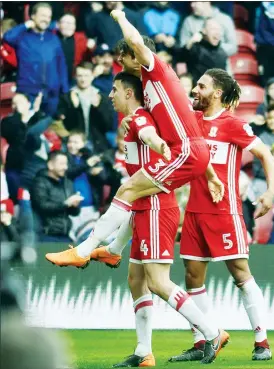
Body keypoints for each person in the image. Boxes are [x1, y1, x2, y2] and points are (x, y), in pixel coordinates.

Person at [45, 10, 223, 279]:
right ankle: (113, 248)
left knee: (127, 191)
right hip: (190, 152)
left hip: (184, 152)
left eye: (123, 55)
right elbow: (184, 130)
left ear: (136, 57)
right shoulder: (151, 87)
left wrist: (119, 16)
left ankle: (83, 251)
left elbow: (138, 43)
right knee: (134, 194)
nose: (118, 60)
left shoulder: (156, 68)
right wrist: (210, 175)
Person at [101, 72, 229, 367]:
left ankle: (212, 332)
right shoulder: (137, 117)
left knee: (158, 282)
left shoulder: (145, 117)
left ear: (130, 92)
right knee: (136, 280)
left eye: (115, 89)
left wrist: (157, 144)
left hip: (157, 206)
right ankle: (143, 350)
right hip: (143, 207)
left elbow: (156, 138)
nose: (111, 95)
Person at [165, 68, 274, 362]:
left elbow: (265, 154)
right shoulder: (192, 122)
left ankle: (262, 341)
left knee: (241, 275)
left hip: (224, 212)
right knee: (192, 278)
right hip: (194, 213)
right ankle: (204, 339)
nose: (195, 90)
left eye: (200, 86)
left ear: (216, 93)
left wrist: (270, 191)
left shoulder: (234, 125)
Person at [3, 3, 69, 116]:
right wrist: (26, 25)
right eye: (43, 15)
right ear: (33, 16)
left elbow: (61, 65)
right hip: (28, 93)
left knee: (47, 129)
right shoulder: (22, 37)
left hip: (51, 94)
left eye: (49, 17)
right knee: (28, 129)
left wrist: (65, 91)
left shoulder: (53, 39)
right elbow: (7, 37)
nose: (46, 19)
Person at [31, 151, 82, 243]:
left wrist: (75, 205)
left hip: (65, 235)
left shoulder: (68, 183)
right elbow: (42, 206)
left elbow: (74, 212)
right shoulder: (40, 182)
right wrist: (66, 203)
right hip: (46, 235)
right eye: (62, 164)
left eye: (66, 164)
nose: (65, 167)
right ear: (50, 165)